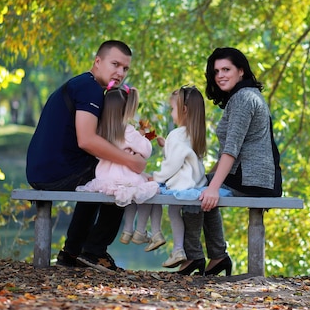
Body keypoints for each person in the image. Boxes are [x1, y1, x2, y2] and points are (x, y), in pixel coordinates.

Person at [26, 40, 146, 273]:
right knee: (119, 178)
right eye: (115, 64)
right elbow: (87, 140)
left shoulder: (86, 85)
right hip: (56, 172)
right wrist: (131, 161)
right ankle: (94, 251)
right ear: (98, 62)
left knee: (101, 174)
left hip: (49, 169)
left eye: (125, 68)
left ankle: (73, 252)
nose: (120, 72)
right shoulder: (89, 88)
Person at [178, 47, 283, 277]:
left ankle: (194, 256)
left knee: (190, 192)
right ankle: (218, 256)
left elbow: (232, 150)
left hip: (251, 179)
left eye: (226, 69)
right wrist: (209, 180)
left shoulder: (244, 99)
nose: (220, 75)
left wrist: (213, 187)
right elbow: (231, 150)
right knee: (200, 185)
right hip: (250, 177)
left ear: (241, 71)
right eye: (216, 71)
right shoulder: (245, 96)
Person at [75, 83, 162, 251]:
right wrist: (143, 137)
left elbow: (98, 154)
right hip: (126, 177)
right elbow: (146, 151)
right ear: (126, 110)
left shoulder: (99, 129)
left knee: (143, 183)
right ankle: (140, 229)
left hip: (104, 177)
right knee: (153, 187)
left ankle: (130, 230)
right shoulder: (128, 130)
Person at [149, 86, 208, 268]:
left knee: (171, 209)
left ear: (184, 110)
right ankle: (178, 250)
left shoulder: (176, 134)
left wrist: (156, 178)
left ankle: (174, 247)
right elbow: (184, 155)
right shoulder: (195, 132)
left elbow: (173, 164)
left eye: (172, 109)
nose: (171, 113)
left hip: (182, 184)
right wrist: (166, 145)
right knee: (176, 212)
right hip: (197, 182)